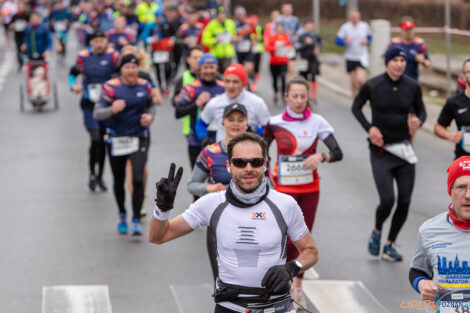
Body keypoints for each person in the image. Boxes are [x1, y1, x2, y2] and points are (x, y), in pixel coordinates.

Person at [148, 133, 319, 313]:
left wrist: (292, 267)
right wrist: (163, 208)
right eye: (240, 162)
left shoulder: (285, 204)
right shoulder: (211, 204)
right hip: (229, 307)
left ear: (265, 164)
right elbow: (158, 236)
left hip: (276, 308)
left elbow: (311, 251)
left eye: (256, 162)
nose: (248, 168)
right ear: (229, 166)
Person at [264, 77, 343, 309]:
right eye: (295, 96)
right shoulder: (275, 122)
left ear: (308, 97)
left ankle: (297, 285)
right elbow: (261, 148)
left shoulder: (317, 121)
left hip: (309, 189)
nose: (299, 100)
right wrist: (268, 173)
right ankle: (284, 284)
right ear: (286, 97)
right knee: (284, 237)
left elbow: (338, 152)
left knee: (303, 239)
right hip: (283, 189)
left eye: (303, 96)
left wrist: (321, 156)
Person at [352, 46, 427, 261]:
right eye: (394, 60)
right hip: (381, 151)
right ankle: (377, 230)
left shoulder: (412, 86)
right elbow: (356, 108)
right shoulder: (373, 85)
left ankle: (390, 244)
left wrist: (418, 121)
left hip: (404, 150)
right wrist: (370, 128)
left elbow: (422, 111)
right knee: (387, 200)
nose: (399, 64)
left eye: (402, 60)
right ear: (386, 62)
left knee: (404, 200)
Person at [93, 54, 155, 236]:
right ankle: (122, 213)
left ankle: (136, 219)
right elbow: (97, 113)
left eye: (134, 67)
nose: (131, 71)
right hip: (116, 139)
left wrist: (150, 117)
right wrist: (112, 109)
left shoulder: (145, 86)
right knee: (118, 181)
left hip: (139, 137)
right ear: (121, 70)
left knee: (137, 178)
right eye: (127, 67)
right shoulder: (111, 87)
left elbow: (151, 106)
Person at [188, 103, 249, 281]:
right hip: (218, 222)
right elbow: (191, 185)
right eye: (231, 120)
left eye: (240, 120)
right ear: (222, 122)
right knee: (220, 279)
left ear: (247, 122)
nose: (235, 124)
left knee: (249, 278)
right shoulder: (210, 152)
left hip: (250, 221)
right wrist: (210, 188)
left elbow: (269, 184)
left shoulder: (255, 151)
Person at [409, 156, 470, 309]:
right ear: (450, 190)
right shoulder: (429, 231)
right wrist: (422, 284)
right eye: (461, 187)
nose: (468, 195)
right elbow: (417, 270)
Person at [69, 30, 120, 192]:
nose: (99, 44)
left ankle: (100, 176)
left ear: (106, 42)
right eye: (96, 41)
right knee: (96, 138)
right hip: (89, 104)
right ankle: (92, 173)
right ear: (91, 43)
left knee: (104, 142)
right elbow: (73, 73)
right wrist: (73, 86)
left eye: (101, 41)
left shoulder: (113, 57)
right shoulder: (83, 57)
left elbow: (120, 74)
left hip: (106, 105)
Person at [196, 63, 271, 146]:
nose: (230, 86)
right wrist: (204, 138)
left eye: (235, 82)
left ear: (244, 83)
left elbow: (269, 129)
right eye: (227, 81)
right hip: (223, 152)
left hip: (248, 153)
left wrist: (253, 130)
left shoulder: (257, 102)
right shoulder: (215, 102)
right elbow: (200, 124)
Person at [175, 53, 225, 176]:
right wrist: (196, 103)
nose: (209, 71)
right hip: (196, 142)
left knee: (220, 182)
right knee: (198, 186)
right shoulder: (190, 88)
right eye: (205, 67)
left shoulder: (224, 87)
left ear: (217, 68)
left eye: (211, 67)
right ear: (200, 68)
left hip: (221, 142)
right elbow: (178, 112)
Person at [435, 59, 470, 160]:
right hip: (463, 160)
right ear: (463, 76)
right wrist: (451, 135)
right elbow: (438, 127)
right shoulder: (454, 102)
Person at [335, 9, 371, 97]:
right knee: (354, 81)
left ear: (359, 17)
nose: (355, 19)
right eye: (353, 17)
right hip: (350, 56)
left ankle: (363, 96)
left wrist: (366, 41)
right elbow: (337, 40)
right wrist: (344, 42)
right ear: (349, 18)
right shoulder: (345, 27)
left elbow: (370, 37)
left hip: (362, 56)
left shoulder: (364, 26)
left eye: (356, 17)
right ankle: (355, 97)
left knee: (361, 80)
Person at [389, 17, 430, 82]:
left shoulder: (420, 43)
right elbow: (384, 60)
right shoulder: (394, 43)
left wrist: (422, 61)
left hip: (413, 81)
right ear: (401, 30)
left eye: (410, 29)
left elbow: (428, 64)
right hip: (396, 80)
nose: (408, 32)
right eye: (406, 29)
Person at [201, 7, 236, 73]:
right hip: (216, 55)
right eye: (219, 15)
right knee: (216, 74)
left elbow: (235, 35)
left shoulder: (231, 23)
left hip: (228, 54)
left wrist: (234, 38)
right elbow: (205, 40)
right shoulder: (211, 25)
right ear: (216, 16)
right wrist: (215, 40)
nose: (221, 16)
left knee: (227, 73)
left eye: (222, 14)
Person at [265, 22, 292, 104]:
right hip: (274, 62)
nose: (280, 29)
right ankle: (276, 93)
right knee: (275, 79)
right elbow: (267, 47)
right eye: (278, 28)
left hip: (283, 62)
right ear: (276, 29)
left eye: (281, 28)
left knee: (283, 78)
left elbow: (289, 46)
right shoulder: (272, 37)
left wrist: (288, 49)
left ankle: (284, 95)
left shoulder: (286, 37)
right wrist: (274, 48)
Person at [297, 18, 322, 104]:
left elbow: (321, 43)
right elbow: (298, 48)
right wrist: (306, 44)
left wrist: (318, 49)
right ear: (305, 26)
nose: (309, 27)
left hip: (313, 59)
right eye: (308, 25)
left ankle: (314, 95)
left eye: (311, 25)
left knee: (313, 76)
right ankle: (305, 94)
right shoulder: (302, 36)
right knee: (303, 78)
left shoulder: (316, 35)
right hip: (303, 59)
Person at [233, 6, 257, 91]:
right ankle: (244, 83)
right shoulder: (233, 24)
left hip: (248, 48)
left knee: (249, 67)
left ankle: (250, 80)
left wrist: (253, 40)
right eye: (239, 14)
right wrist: (235, 38)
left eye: (242, 14)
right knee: (241, 68)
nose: (240, 16)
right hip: (238, 49)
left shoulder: (249, 23)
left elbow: (254, 33)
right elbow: (231, 36)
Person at [275, 3, 300, 81]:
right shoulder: (278, 20)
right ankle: (281, 83)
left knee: (291, 68)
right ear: (282, 10)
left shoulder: (295, 20)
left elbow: (300, 30)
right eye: (285, 10)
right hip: (281, 47)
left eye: (289, 10)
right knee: (281, 69)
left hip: (291, 46)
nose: (287, 11)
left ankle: (290, 84)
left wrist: (297, 36)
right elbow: (273, 32)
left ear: (291, 10)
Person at [9, 1, 29, 70]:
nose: (20, 8)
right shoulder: (15, 16)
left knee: (25, 49)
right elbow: (10, 25)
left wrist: (26, 24)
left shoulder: (26, 15)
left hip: (25, 35)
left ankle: (26, 62)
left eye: (21, 7)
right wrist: (12, 26)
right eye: (19, 7)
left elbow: (30, 24)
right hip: (17, 35)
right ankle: (20, 64)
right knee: (18, 49)